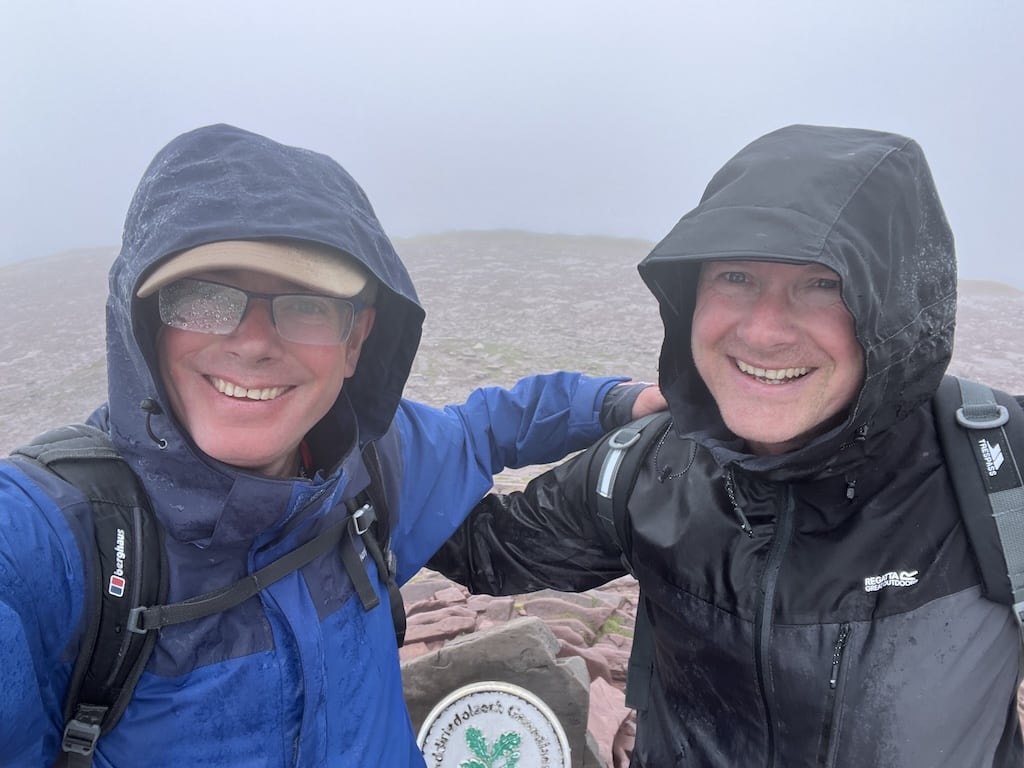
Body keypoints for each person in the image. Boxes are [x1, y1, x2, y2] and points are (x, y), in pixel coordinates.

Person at [0, 123, 665, 766]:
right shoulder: (57, 541)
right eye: (203, 297)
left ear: (356, 341)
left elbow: (486, 426)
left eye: (307, 302)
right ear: (145, 322)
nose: (255, 342)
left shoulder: (371, 464)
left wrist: (613, 403)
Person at [430, 124, 1023, 766]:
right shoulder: (646, 467)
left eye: (824, 283)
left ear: (897, 304)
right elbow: (481, 549)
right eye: (736, 276)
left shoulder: (1001, 469)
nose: (764, 331)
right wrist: (334, 456)